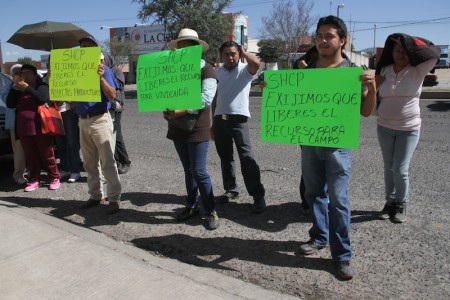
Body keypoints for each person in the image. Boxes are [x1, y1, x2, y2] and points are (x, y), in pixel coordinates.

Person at [297, 16, 376, 280]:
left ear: (342, 40)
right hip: (309, 145)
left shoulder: (351, 74)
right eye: (319, 36)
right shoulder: (306, 73)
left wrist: (372, 89)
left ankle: (342, 256)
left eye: (329, 36)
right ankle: (319, 237)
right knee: (313, 195)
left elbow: (365, 113)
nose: (323, 40)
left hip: (338, 148)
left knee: (338, 201)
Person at [374, 33, 440, 223]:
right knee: (388, 167)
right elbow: (373, 92)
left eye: (404, 51)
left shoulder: (417, 69)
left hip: (409, 128)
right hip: (384, 126)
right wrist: (375, 85)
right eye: (397, 50)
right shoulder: (385, 70)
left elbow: (433, 53)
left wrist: (406, 40)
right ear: (391, 53)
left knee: (400, 168)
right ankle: (390, 202)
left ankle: (401, 203)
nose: (400, 54)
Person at [165, 28, 219, 230]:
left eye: (188, 46)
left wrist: (182, 110)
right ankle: (191, 204)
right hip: (177, 127)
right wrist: (168, 109)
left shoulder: (207, 70)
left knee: (199, 171)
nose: (183, 50)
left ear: (196, 48)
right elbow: (167, 94)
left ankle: (211, 210)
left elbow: (206, 98)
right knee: (188, 170)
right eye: (180, 47)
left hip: (197, 127)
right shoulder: (174, 70)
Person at [213, 41, 266, 214]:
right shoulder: (217, 72)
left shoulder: (245, 70)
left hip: (239, 120)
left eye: (234, 53)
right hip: (220, 120)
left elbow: (256, 63)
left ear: (239, 54)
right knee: (225, 157)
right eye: (226, 54)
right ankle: (231, 189)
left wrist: (244, 53)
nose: (230, 57)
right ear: (221, 55)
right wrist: (213, 122)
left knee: (247, 158)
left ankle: (258, 195)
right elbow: (215, 98)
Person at [77, 36, 121, 214]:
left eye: (89, 46)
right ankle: (96, 195)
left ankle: (114, 198)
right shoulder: (78, 71)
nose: (85, 49)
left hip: (100, 119)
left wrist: (101, 78)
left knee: (107, 161)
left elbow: (112, 95)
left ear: (96, 50)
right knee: (89, 163)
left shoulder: (105, 70)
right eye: (82, 46)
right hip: (83, 120)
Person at [6, 64, 60, 192]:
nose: (24, 75)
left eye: (27, 73)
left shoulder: (42, 87)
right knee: (31, 156)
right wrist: (14, 89)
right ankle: (34, 179)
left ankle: (54, 177)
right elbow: (9, 104)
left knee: (47, 154)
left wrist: (28, 88)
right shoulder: (18, 89)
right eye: (22, 73)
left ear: (35, 75)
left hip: (40, 127)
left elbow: (45, 99)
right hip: (24, 129)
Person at [45, 56, 82, 183]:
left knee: (72, 143)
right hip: (55, 113)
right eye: (50, 63)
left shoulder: (69, 75)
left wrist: (73, 103)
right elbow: (46, 95)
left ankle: (75, 171)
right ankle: (65, 169)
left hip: (68, 112)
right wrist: (50, 79)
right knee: (60, 143)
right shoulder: (46, 78)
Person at [102, 52, 132, 175]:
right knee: (108, 138)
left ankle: (125, 162)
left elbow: (117, 90)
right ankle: (115, 161)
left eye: (103, 60)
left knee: (116, 135)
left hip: (115, 108)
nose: (101, 63)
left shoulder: (116, 71)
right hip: (103, 109)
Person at [0, 64, 27, 185]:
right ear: (11, 75)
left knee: (31, 148)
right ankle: (18, 174)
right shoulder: (8, 86)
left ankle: (32, 171)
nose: (18, 75)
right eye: (15, 73)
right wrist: (14, 87)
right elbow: (5, 100)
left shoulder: (28, 85)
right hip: (15, 123)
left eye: (20, 72)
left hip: (29, 122)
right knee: (19, 150)